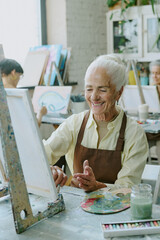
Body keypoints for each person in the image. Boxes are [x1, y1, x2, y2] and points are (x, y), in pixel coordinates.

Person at [44, 54, 149, 192]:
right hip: (78, 205)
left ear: (119, 92)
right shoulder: (74, 123)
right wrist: (49, 170)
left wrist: (98, 187)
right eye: (89, 89)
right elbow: (42, 154)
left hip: (116, 210)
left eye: (102, 90)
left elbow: (128, 188)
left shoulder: (134, 134)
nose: (94, 97)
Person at [0, 58, 47, 127]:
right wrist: (40, 113)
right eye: (20, 76)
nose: (19, 79)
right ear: (13, 73)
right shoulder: (20, 96)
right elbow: (34, 126)